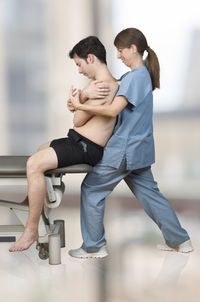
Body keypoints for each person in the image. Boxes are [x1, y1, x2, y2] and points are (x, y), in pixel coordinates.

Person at [68, 28, 193, 258]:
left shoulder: (136, 77)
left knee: (91, 189)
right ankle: (180, 240)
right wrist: (85, 96)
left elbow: (113, 109)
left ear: (133, 48)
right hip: (139, 151)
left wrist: (80, 105)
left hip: (124, 151)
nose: (118, 56)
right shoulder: (136, 76)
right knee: (151, 195)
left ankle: (94, 246)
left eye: (121, 50)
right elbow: (115, 92)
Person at [9, 36, 118, 252]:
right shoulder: (97, 85)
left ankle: (30, 230)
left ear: (90, 58)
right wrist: (81, 100)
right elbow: (79, 112)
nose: (79, 70)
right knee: (42, 148)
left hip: (86, 147)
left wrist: (81, 100)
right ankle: (37, 206)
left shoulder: (104, 86)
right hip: (77, 140)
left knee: (34, 164)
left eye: (79, 64)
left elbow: (78, 119)